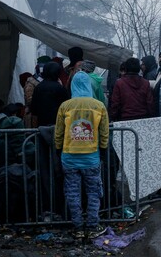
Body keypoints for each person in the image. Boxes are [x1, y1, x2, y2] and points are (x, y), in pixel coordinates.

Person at [54, 71, 109, 239]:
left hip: (69, 157)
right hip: (91, 157)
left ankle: (77, 227)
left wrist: (58, 149)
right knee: (93, 192)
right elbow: (104, 132)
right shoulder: (99, 106)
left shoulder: (65, 106)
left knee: (72, 192)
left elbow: (59, 133)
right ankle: (93, 226)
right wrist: (103, 149)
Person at [32, 62, 70, 127]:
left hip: (41, 126)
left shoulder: (38, 87)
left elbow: (34, 110)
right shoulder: (60, 88)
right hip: (57, 126)